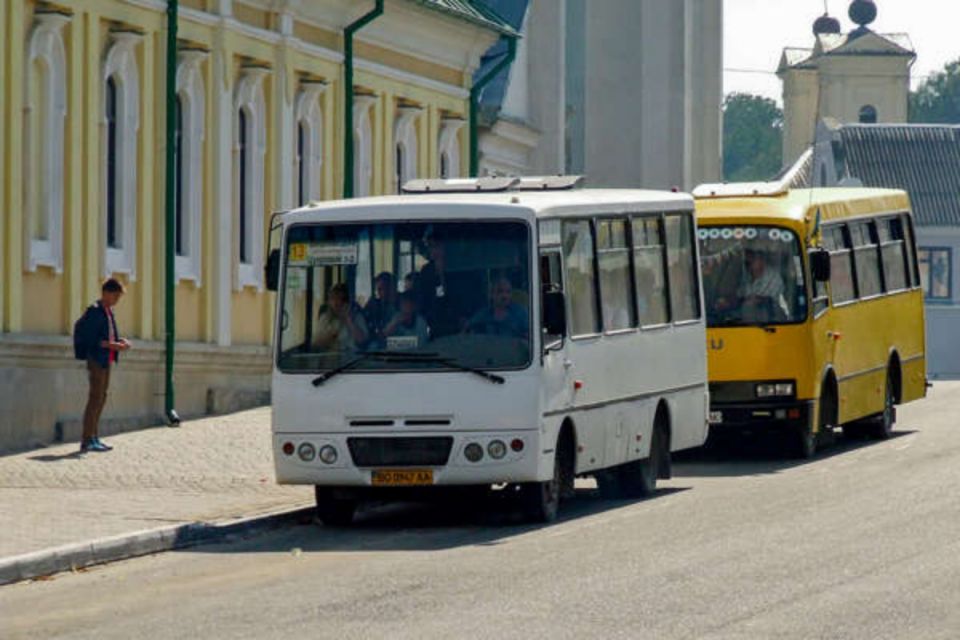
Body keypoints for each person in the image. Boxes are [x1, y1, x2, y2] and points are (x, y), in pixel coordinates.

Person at [74, 278, 131, 453]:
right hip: (96, 359)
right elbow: (93, 339)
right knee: (95, 398)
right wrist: (112, 345)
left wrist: (121, 342)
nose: (117, 300)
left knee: (102, 398)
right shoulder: (95, 311)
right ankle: (87, 439)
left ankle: (94, 436)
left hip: (107, 359)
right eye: (115, 296)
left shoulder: (108, 312)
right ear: (106, 293)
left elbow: (109, 334)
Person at [465, 276, 529, 338]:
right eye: (500, 291)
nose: (504, 296)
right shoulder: (483, 315)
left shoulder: (520, 314)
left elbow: (529, 337)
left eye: (508, 292)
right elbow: (467, 332)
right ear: (491, 294)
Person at [313, 284, 368, 352]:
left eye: (339, 299)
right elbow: (317, 343)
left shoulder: (357, 317)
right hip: (331, 357)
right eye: (333, 299)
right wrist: (334, 331)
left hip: (352, 356)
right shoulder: (325, 318)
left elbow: (362, 341)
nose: (335, 303)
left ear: (346, 302)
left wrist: (349, 320)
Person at [738, 249, 787, 322]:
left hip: (769, 321)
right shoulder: (745, 276)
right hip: (744, 324)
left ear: (761, 260)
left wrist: (759, 299)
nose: (748, 261)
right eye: (747, 260)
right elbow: (740, 295)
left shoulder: (774, 277)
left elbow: (777, 301)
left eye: (752, 259)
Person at [363, 272, 398, 347]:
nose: (381, 292)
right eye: (379, 289)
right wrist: (367, 309)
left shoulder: (403, 304)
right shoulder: (376, 305)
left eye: (385, 288)